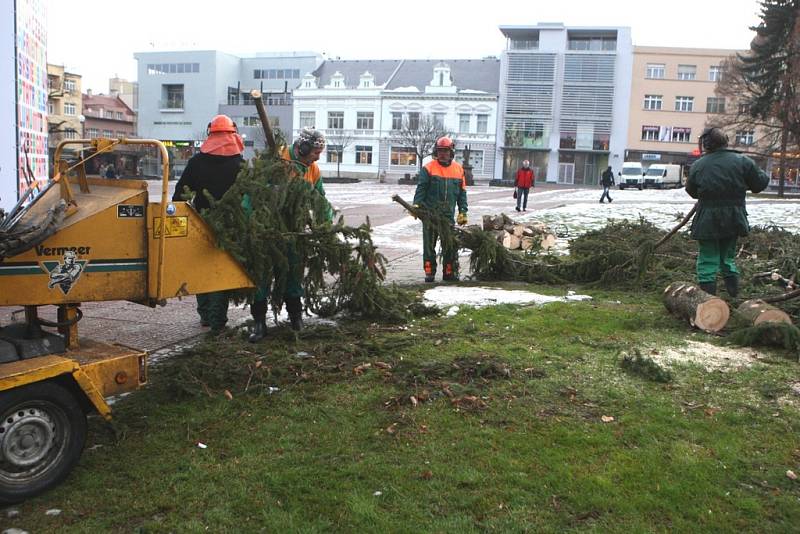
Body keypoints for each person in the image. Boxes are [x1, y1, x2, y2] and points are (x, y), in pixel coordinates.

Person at [248, 127, 332, 342]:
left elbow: (320, 200)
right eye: (315, 151)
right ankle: (259, 323)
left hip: (294, 232)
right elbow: (253, 192)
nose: (317, 157)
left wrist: (326, 226)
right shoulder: (277, 161)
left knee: (294, 275)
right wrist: (249, 221)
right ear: (302, 147)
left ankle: (296, 318)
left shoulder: (313, 170)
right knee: (262, 276)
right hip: (267, 231)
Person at [172, 114, 245, 333]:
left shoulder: (196, 162)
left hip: (201, 223)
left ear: (209, 133)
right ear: (233, 134)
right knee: (220, 271)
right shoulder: (239, 164)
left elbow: (180, 195)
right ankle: (217, 321)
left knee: (201, 269)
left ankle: (205, 315)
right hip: (231, 225)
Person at [685, 127, 769, 297]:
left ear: (707, 145)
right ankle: (734, 295)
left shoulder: (698, 165)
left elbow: (692, 191)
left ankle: (707, 300)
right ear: (725, 142)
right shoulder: (743, 161)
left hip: (707, 218)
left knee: (708, 259)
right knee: (727, 258)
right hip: (734, 217)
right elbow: (760, 184)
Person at [412, 136, 468, 283]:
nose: (443, 153)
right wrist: (416, 204)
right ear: (436, 151)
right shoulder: (428, 168)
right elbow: (421, 188)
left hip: (448, 216)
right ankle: (429, 271)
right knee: (429, 244)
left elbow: (462, 193)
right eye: (440, 151)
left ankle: (449, 271)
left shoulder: (458, 170)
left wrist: (463, 211)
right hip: (430, 214)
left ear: (451, 152)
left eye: (446, 151)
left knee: (449, 245)